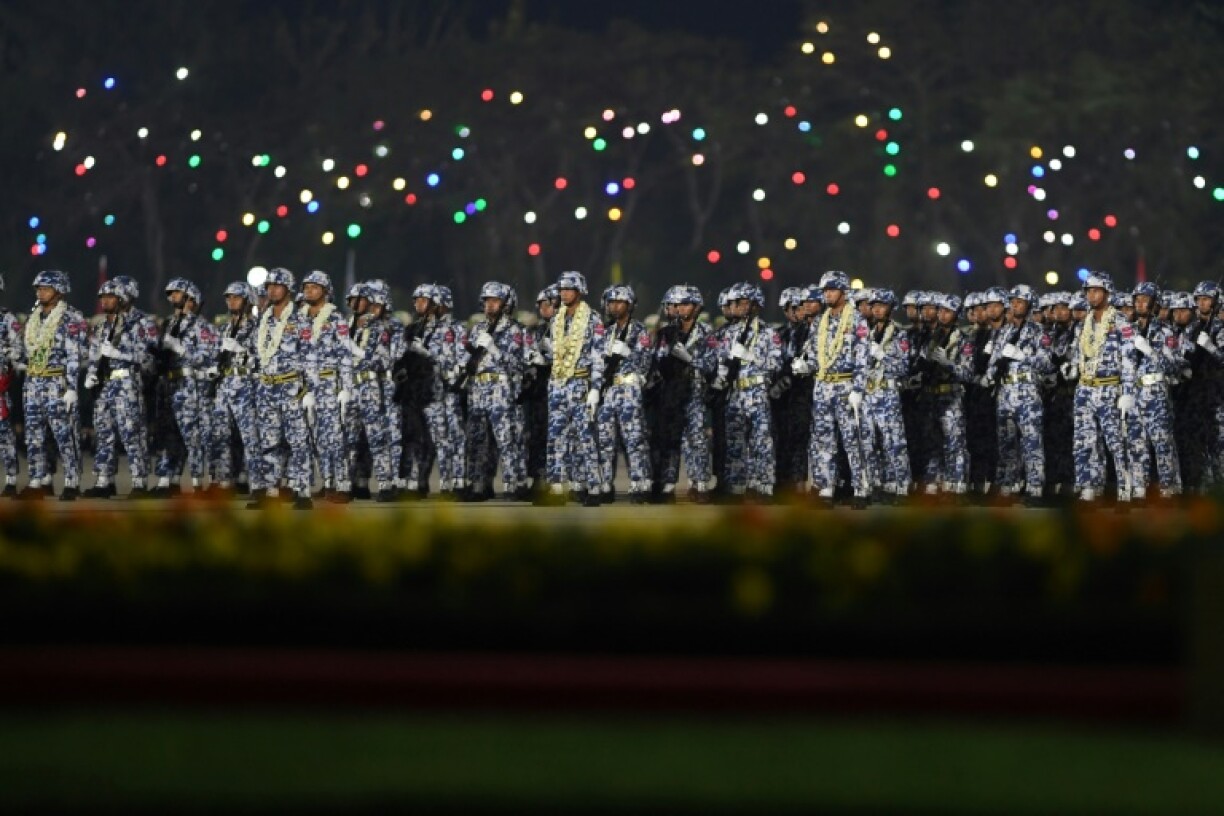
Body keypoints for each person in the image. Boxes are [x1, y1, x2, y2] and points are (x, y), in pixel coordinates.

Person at [793, 270, 870, 508]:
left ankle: (860, 488)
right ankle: (826, 488)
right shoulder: (820, 321)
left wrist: (858, 388)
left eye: (832, 290)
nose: (827, 294)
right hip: (823, 384)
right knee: (823, 439)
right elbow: (817, 355)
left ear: (844, 292)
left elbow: (863, 357)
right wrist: (805, 365)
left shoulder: (857, 320)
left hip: (846, 385)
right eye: (825, 290)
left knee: (852, 440)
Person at [248, 267, 314, 509]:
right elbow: (257, 354)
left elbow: (310, 356)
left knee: (298, 441)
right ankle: (272, 490)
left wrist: (310, 391)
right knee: (269, 441)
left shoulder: (299, 318)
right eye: (269, 286)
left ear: (288, 289)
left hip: (291, 386)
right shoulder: (263, 319)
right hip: (267, 388)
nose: (272, 290)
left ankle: (302, 490)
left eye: (277, 286)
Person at [19, 270, 88, 500]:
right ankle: (37, 480)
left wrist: (71, 387)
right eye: (39, 288)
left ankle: (71, 481)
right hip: (34, 382)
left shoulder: (71, 318)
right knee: (33, 435)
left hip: (57, 382)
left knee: (65, 434)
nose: (41, 292)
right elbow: (29, 349)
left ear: (59, 291)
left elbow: (74, 355)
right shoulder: (34, 316)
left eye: (46, 288)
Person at [539, 270, 605, 506]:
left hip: (580, 384)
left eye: (569, 289)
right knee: (555, 437)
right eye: (562, 290)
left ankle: (594, 487)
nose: (564, 293)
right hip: (557, 383)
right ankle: (556, 487)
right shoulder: (557, 319)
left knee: (585, 437)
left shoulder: (593, 319)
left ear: (580, 291)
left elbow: (598, 356)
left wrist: (596, 388)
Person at [83, 279, 154, 498]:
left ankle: (139, 482)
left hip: (126, 383)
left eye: (110, 296)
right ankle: (104, 480)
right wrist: (92, 372)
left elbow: (147, 358)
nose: (105, 301)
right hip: (105, 384)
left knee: (132, 433)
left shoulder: (141, 322)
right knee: (103, 434)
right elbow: (95, 352)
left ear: (124, 298)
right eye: (102, 297)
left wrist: (119, 355)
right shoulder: (103, 324)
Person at [985, 284, 1052, 506]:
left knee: (1032, 441)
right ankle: (1008, 485)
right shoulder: (1003, 332)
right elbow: (994, 360)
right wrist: (991, 373)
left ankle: (1035, 487)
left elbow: (1046, 362)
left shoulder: (1038, 332)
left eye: (1020, 302)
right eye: (1012, 301)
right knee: (1006, 443)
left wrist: (1023, 356)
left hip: (1027, 392)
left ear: (1029, 305)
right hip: (1005, 392)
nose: (1015, 305)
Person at [463, 282, 530, 501]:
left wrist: (494, 349)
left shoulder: (514, 330)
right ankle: (479, 484)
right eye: (486, 301)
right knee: (477, 439)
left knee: (506, 438)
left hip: (501, 389)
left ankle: (513, 484)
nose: (489, 305)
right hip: (478, 389)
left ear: (506, 304)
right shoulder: (478, 329)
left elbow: (517, 365)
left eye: (495, 301)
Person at [152, 278, 218, 496]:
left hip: (191, 387)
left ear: (191, 297)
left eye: (177, 293)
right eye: (170, 293)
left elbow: (208, 358)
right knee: (169, 435)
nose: (172, 297)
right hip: (169, 386)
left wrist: (181, 350)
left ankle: (198, 483)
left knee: (193, 437)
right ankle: (167, 480)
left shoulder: (203, 327)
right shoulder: (169, 324)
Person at [650, 284, 713, 503]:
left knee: (697, 439)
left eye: (685, 304)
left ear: (696, 307)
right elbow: (657, 362)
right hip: (671, 392)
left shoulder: (705, 332)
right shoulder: (666, 333)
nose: (679, 309)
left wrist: (690, 359)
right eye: (675, 305)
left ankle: (700, 482)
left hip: (695, 391)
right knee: (671, 439)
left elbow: (713, 363)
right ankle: (668, 484)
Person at [595, 285, 653, 503]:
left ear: (629, 306)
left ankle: (640, 482)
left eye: (619, 302)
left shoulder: (639, 331)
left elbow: (646, 361)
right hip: (608, 390)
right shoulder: (604, 332)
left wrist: (629, 354)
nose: (614, 306)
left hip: (629, 388)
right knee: (605, 439)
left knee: (634, 438)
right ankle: (605, 483)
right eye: (611, 302)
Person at [300, 270, 354, 502]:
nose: (308, 291)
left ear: (325, 291)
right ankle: (327, 482)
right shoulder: (299, 319)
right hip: (307, 385)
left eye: (314, 287)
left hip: (330, 382)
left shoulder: (335, 319)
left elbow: (345, 354)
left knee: (335, 437)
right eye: (306, 287)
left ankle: (342, 485)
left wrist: (346, 388)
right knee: (316, 438)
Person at [1126, 282, 1182, 501]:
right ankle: (1139, 487)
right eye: (1137, 299)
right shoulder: (1127, 331)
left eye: (1145, 299)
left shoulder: (1165, 332)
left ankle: (1169, 488)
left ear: (1154, 303)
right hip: (1133, 392)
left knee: (1162, 442)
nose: (1140, 303)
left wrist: (1150, 351)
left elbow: (1174, 365)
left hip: (1156, 392)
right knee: (1136, 442)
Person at [209, 281, 261, 497]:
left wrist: (242, 351)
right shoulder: (224, 327)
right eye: (228, 297)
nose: (231, 301)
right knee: (221, 436)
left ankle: (255, 482)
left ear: (248, 300)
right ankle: (223, 481)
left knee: (249, 436)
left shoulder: (257, 327)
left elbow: (261, 359)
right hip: (224, 386)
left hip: (246, 385)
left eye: (236, 297)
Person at [863, 288, 914, 502]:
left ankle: (901, 485)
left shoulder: (900, 335)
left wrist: (882, 355)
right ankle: (877, 484)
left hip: (887, 392)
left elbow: (903, 368)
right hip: (867, 392)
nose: (876, 310)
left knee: (894, 442)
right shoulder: (864, 333)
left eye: (881, 306)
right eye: (873, 306)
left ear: (891, 309)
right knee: (868, 442)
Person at [0, 274, 24, 496]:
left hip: (0, 384)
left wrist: (10, 355)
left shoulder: (8, 319)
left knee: (4, 435)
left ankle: (10, 478)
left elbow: (18, 350)